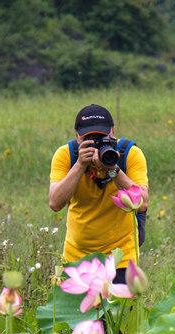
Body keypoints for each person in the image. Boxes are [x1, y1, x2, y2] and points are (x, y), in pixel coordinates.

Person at [49, 104, 149, 283]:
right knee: (75, 311)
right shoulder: (66, 155)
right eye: (89, 138)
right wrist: (80, 165)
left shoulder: (129, 154)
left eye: (101, 137)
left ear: (113, 132)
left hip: (121, 257)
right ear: (77, 137)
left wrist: (113, 169)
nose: (95, 143)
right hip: (77, 256)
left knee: (122, 311)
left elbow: (142, 203)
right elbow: (55, 203)